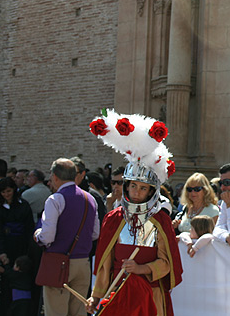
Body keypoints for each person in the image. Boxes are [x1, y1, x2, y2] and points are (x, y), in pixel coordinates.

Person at [86, 109, 182, 316]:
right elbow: (105, 263)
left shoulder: (160, 221)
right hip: (117, 294)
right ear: (126, 187)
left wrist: (142, 269)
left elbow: (167, 264)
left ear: (151, 191)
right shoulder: (114, 218)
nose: (136, 192)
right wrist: (96, 296)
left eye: (143, 188)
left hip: (150, 296)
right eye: (133, 186)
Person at [34, 158, 100, 316]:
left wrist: (37, 235)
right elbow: (95, 233)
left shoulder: (55, 199)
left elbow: (47, 236)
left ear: (55, 176)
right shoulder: (90, 199)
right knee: (78, 312)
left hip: (59, 262)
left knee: (56, 312)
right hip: (83, 263)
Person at [0, 177, 34, 267]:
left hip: (22, 244)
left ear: (14, 190)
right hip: (5, 243)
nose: (6, 194)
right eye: (3, 192)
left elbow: (29, 226)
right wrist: (1, 251)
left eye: (8, 191)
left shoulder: (23, 205)